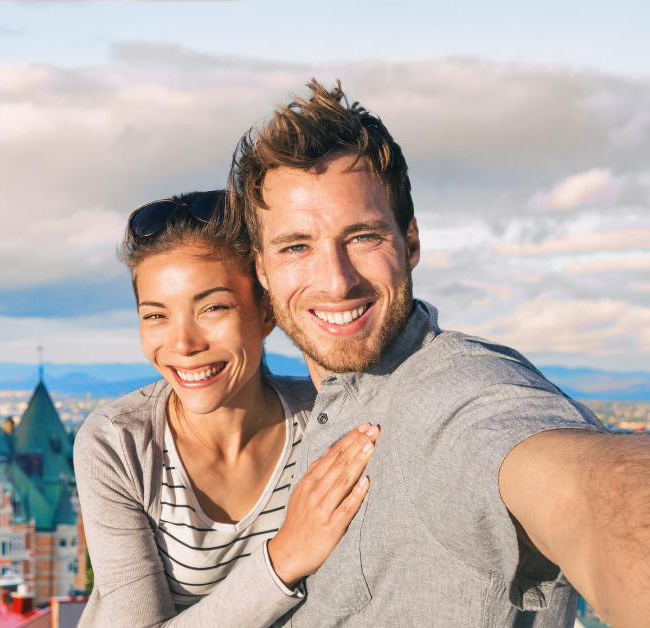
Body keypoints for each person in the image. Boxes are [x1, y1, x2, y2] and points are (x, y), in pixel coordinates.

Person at [231, 80, 650, 627]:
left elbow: (591, 494)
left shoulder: (456, 395)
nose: (336, 281)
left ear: (410, 243)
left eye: (362, 237)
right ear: (262, 269)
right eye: (296, 247)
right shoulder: (324, 406)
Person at [75, 190, 382, 627]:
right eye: (156, 316)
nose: (183, 344)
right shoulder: (118, 443)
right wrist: (285, 556)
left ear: (267, 313)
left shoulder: (327, 422)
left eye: (212, 307)